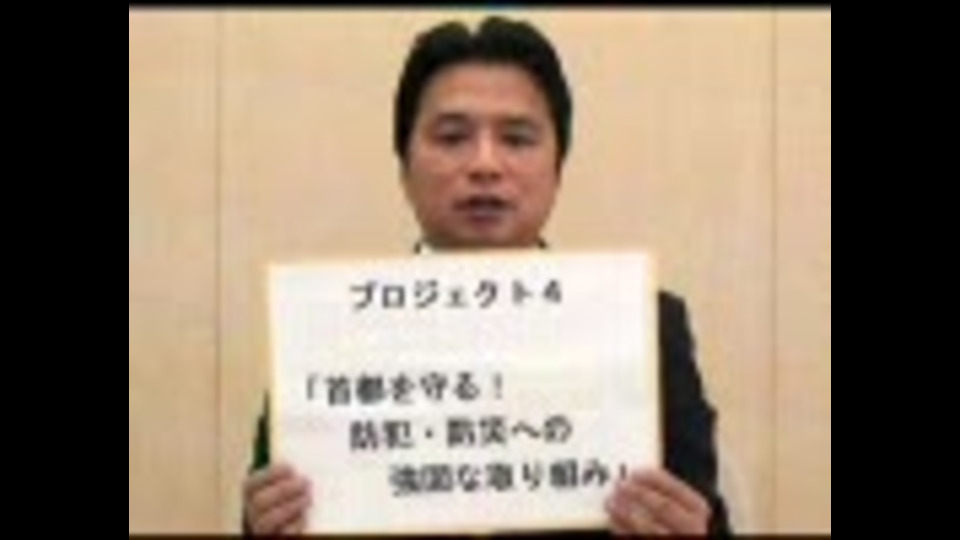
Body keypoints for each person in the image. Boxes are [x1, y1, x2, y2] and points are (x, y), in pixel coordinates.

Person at [242, 15, 731, 536]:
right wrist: (262, 527)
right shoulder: (328, 329)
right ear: (404, 167)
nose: (485, 165)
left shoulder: (642, 324)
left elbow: (706, 514)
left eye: (516, 139)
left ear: (558, 168)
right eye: (452, 137)